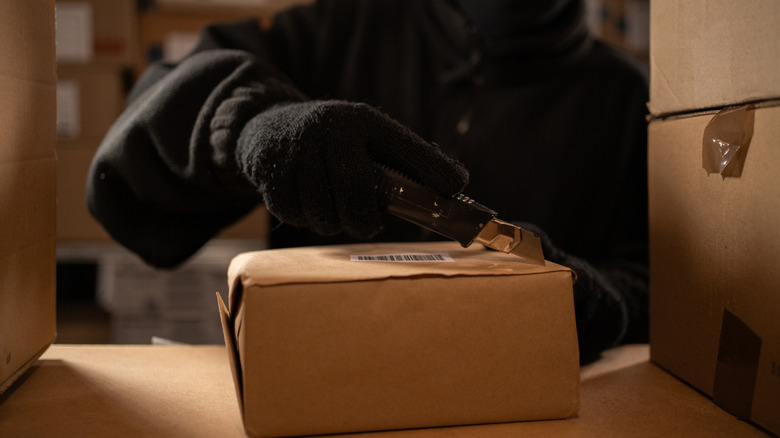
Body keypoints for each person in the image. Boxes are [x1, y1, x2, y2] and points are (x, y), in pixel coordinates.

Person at [86, 0, 649, 364]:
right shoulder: (334, 32)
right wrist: (249, 124)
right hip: (309, 397)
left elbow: (670, 286)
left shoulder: (626, 95)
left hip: (530, 413)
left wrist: (586, 300)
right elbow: (124, 171)